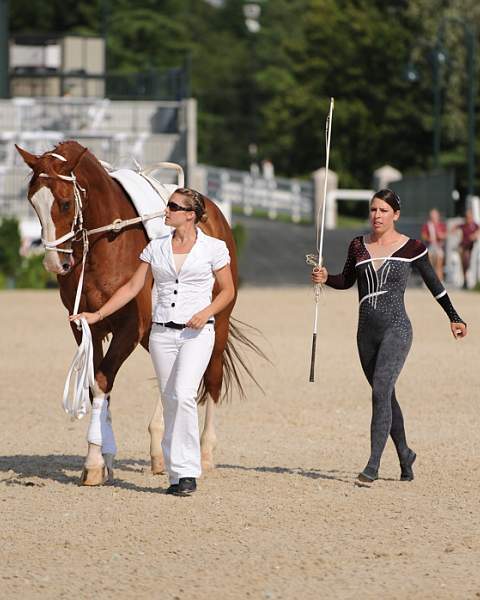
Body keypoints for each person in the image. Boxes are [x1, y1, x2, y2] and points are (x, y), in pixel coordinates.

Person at [70, 188, 235, 496]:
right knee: (171, 399)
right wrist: (97, 314)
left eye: (173, 206)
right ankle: (176, 472)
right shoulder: (156, 247)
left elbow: (227, 291)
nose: (166, 209)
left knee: (184, 394)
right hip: (162, 335)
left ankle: (187, 472)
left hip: (197, 334)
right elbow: (133, 287)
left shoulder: (214, 248)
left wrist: (206, 312)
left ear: (190, 215)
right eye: (167, 204)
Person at [311, 189, 467, 484]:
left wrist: (454, 317)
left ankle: (373, 464)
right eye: (373, 210)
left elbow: (436, 285)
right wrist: (325, 278)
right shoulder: (357, 245)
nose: (377, 216)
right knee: (386, 395)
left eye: (383, 210)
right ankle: (405, 454)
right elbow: (346, 281)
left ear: (395, 214)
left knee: (380, 389)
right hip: (364, 334)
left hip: (397, 329)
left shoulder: (413, 248)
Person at [455, 208, 479, 289]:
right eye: (467, 216)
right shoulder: (463, 225)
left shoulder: (475, 225)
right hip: (464, 247)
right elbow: (455, 228)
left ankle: (467, 278)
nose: (468, 218)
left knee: (467, 259)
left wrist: (475, 235)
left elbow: (478, 231)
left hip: (471, 247)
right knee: (464, 258)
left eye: (469, 216)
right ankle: (465, 280)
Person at [421, 208, 447, 281]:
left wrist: (440, 235)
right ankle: (430, 281)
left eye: (435, 215)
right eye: (432, 216)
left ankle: (440, 281)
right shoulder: (428, 225)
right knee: (429, 264)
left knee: (439, 263)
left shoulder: (441, 225)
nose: (433, 217)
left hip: (438, 246)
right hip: (430, 246)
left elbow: (444, 235)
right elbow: (423, 235)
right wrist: (429, 238)